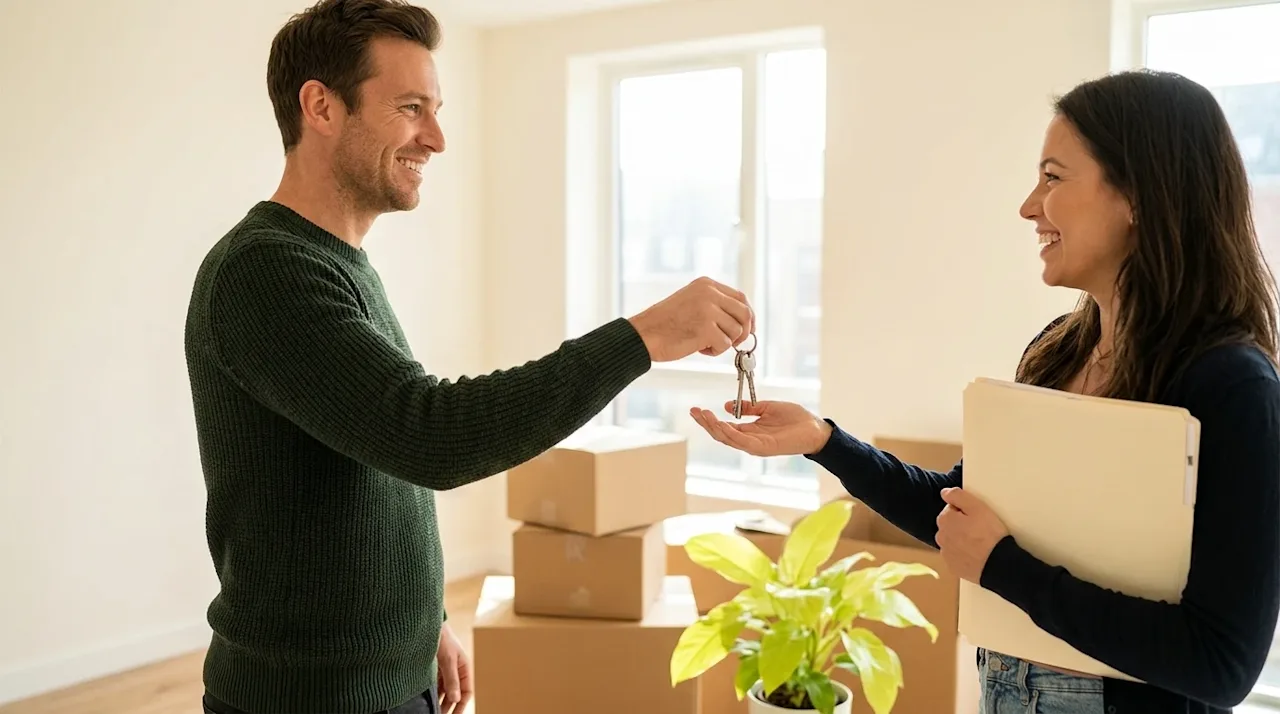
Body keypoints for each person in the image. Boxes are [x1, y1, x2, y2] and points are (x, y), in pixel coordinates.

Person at [183, 1, 755, 713]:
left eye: (436, 109)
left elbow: (378, 462)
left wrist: (426, 625)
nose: (437, 138)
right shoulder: (267, 270)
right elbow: (430, 433)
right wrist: (641, 337)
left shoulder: (336, 264)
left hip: (386, 682)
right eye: (411, 108)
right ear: (321, 107)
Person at [691, 69, 1280, 714]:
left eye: (1053, 178)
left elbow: (1222, 664)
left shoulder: (1233, 387)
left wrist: (1004, 568)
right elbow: (958, 514)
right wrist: (824, 442)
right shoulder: (1060, 351)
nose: (1029, 207)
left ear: (1138, 194)